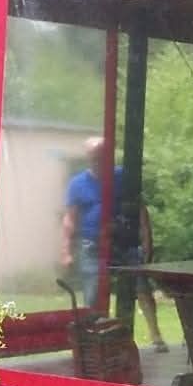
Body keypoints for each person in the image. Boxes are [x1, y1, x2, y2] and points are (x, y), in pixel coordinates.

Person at [61, 137, 168, 352]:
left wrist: (147, 240)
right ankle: (98, 342)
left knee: (141, 287)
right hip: (92, 244)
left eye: (102, 156)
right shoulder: (77, 184)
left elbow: (140, 210)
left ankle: (156, 335)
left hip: (124, 243)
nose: (98, 161)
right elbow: (70, 219)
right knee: (94, 293)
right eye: (94, 157)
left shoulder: (122, 177)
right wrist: (66, 251)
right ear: (88, 158)